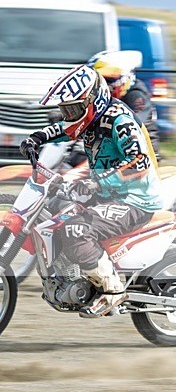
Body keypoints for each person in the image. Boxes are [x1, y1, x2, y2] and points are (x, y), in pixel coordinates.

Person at [20, 64, 162, 317]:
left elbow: (139, 163)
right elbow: (65, 129)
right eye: (65, 109)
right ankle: (75, 278)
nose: (68, 114)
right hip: (107, 195)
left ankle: (113, 290)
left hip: (134, 201)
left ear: (92, 100)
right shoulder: (90, 117)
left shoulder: (120, 121)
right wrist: (37, 137)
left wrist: (98, 182)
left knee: (76, 229)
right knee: (54, 211)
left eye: (72, 109)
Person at [88, 50, 160, 157]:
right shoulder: (106, 97)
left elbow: (132, 126)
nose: (104, 85)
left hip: (140, 155)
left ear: (124, 77)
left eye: (108, 80)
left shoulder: (136, 95)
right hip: (117, 148)